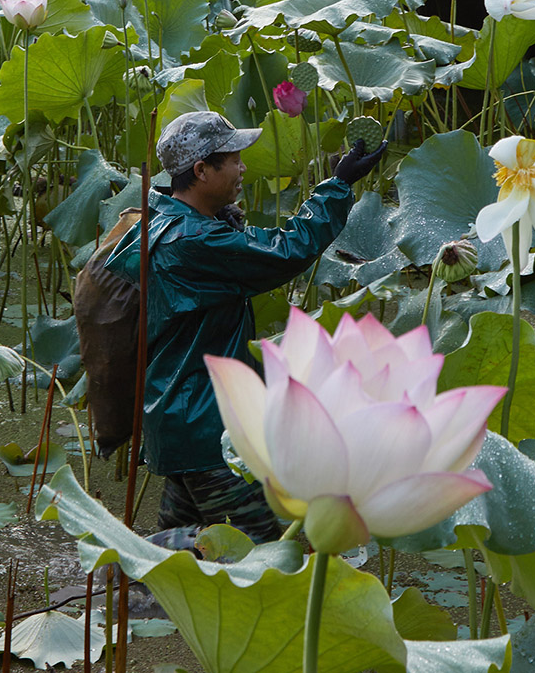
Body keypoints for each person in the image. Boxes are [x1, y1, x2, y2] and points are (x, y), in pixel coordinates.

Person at [104, 109, 385, 544]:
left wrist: (222, 219)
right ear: (201, 170)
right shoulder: (195, 241)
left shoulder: (165, 222)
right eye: (233, 158)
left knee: (178, 561)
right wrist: (339, 185)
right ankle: (120, 581)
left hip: (178, 417)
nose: (243, 167)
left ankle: (130, 593)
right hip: (205, 425)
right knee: (268, 551)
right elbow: (286, 251)